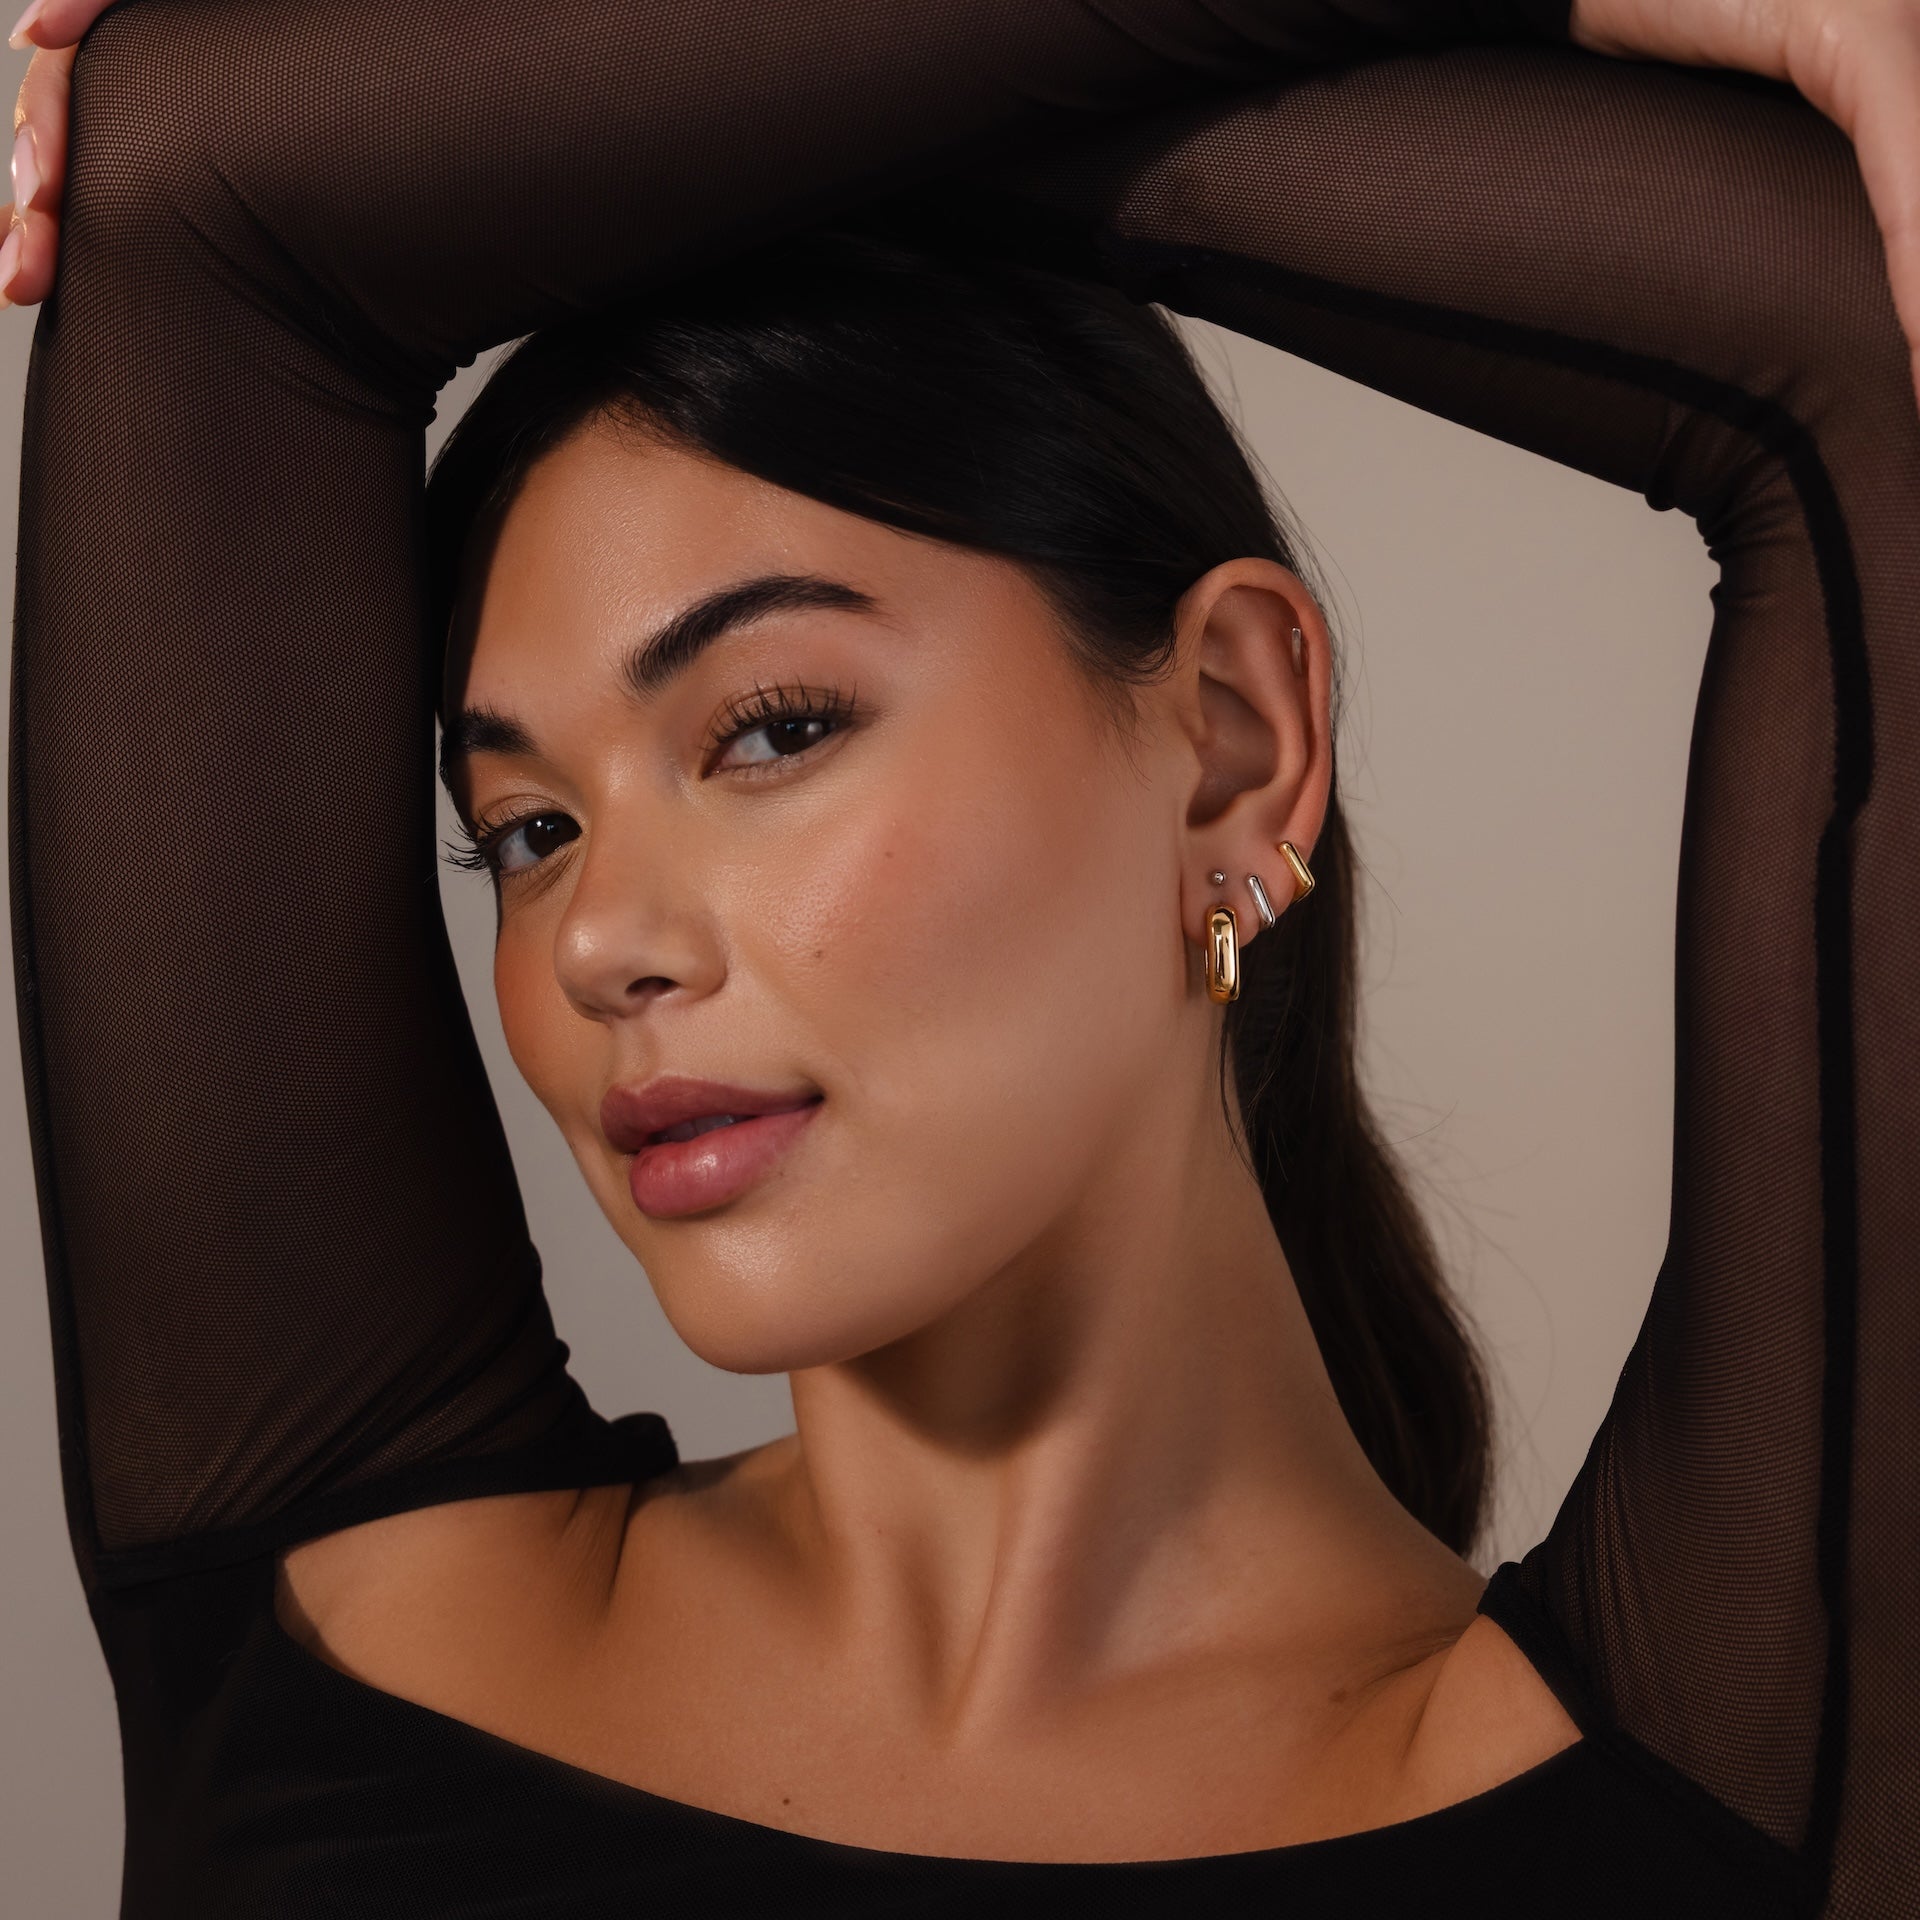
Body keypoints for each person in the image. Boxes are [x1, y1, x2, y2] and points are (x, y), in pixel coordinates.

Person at [4, 0, 1916, 1913]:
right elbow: (205, 174)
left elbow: (1858, 333)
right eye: (527, 829)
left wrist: (771, 153)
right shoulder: (329, 1591)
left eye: (770, 728)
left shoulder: (1703, 1778)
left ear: (1233, 746)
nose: (598, 942)